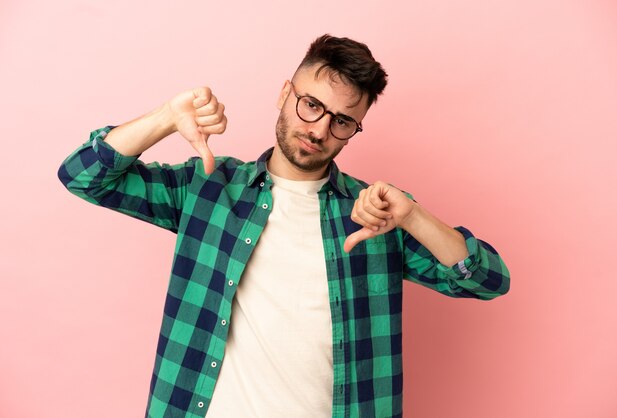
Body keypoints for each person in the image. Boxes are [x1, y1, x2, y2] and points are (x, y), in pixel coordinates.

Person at [58, 34, 510, 418]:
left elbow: (488, 281)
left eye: (343, 121)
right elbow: (82, 176)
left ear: (356, 127)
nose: (318, 129)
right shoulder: (208, 188)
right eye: (311, 104)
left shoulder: (375, 216)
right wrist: (164, 118)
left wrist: (412, 215)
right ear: (284, 94)